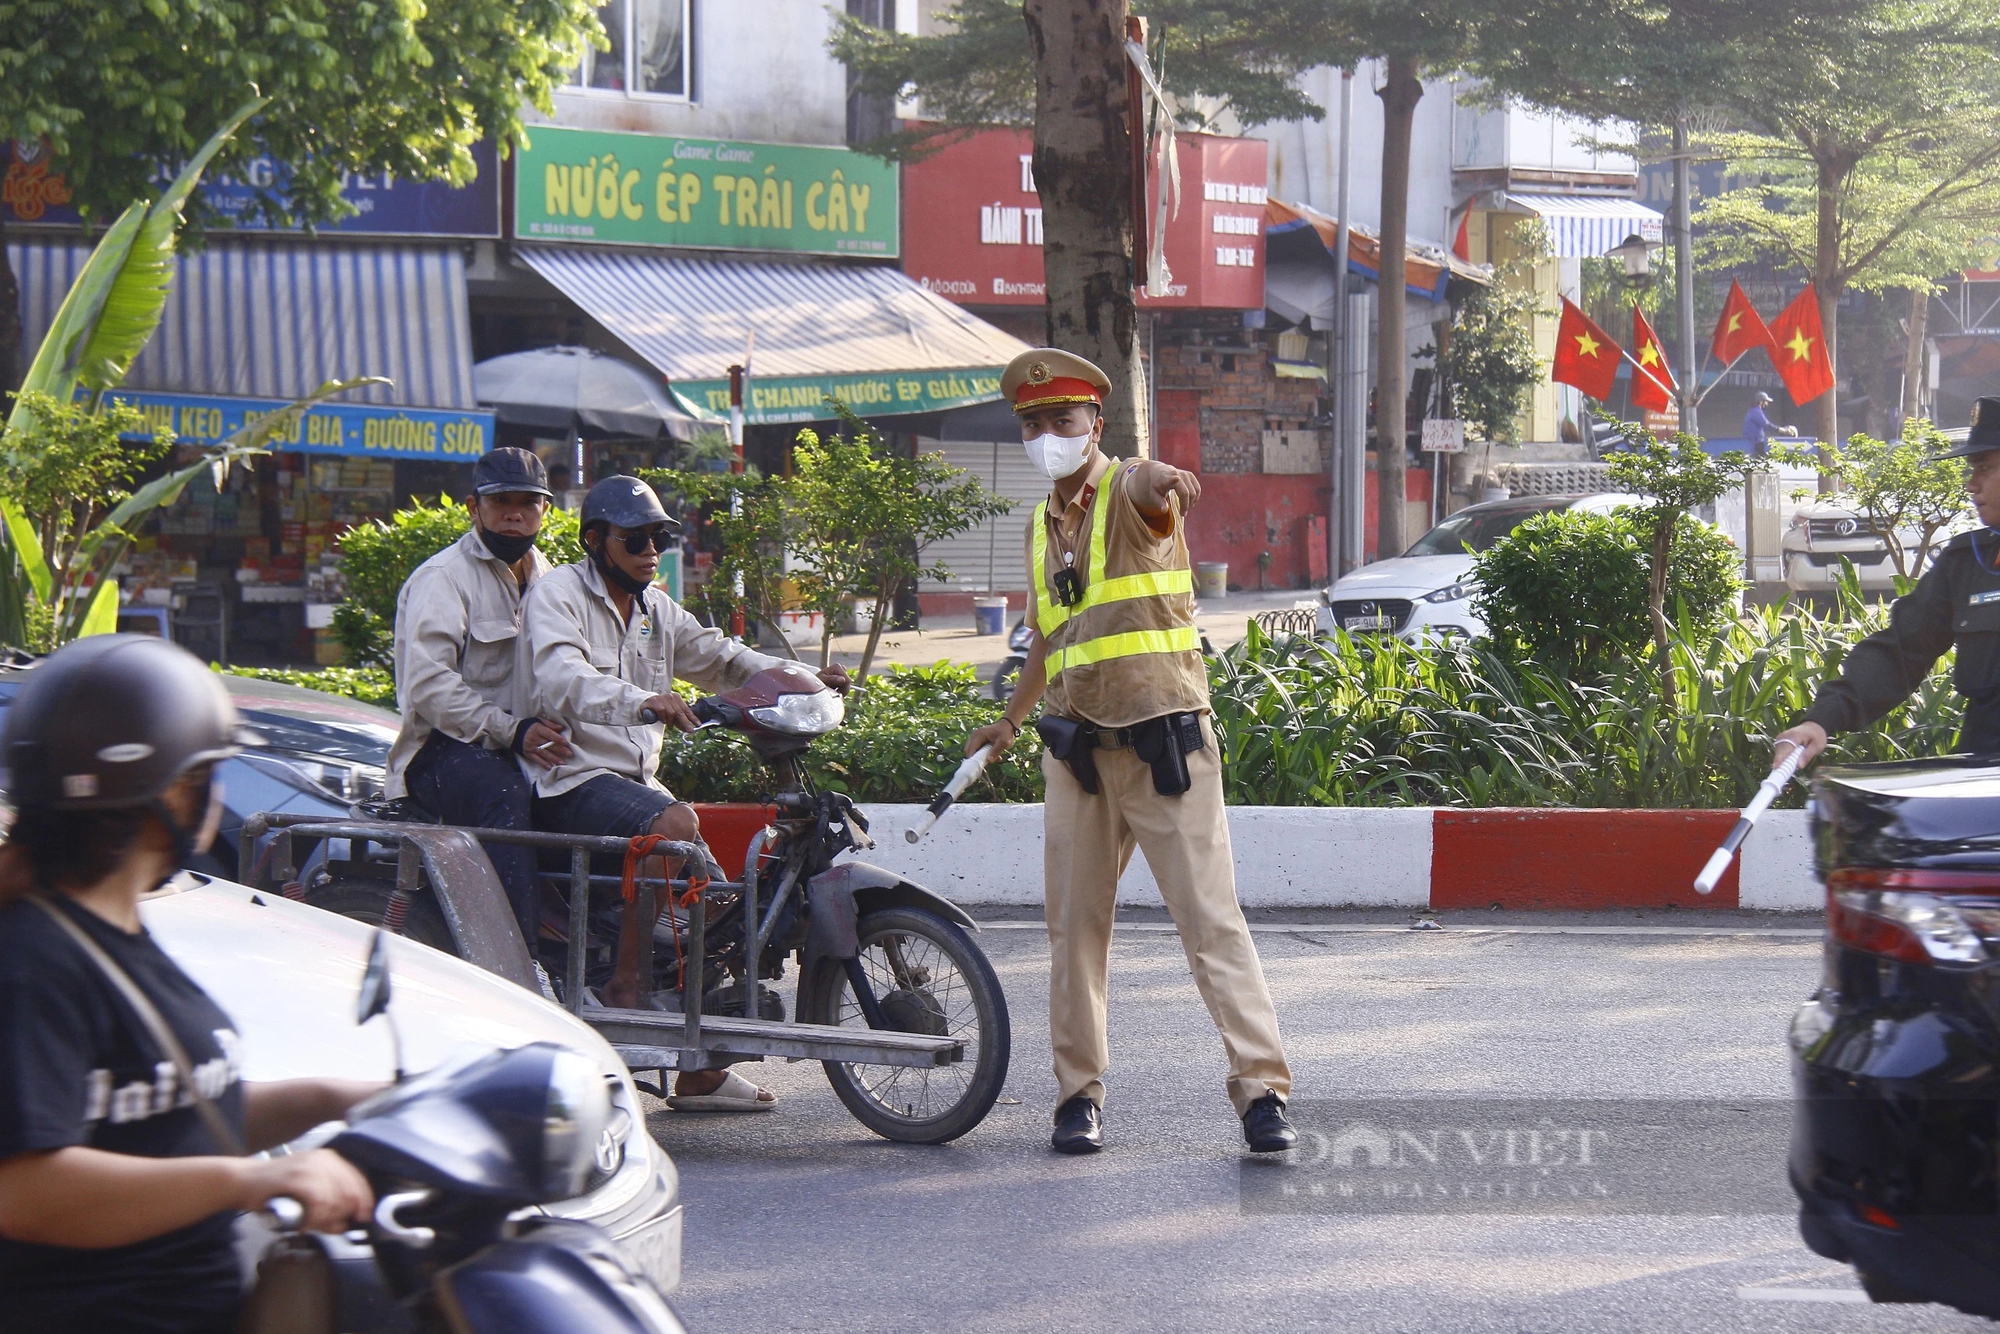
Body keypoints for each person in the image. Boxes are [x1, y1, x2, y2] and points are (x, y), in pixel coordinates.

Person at [961, 348, 1296, 1156]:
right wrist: (1007, 722)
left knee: (1209, 922)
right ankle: (1078, 1096)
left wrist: (1165, 477)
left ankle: (1262, 1093)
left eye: (1063, 421)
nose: (1049, 435)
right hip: (1077, 754)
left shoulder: (1128, 491)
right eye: (1035, 425)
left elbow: (1153, 487)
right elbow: (1047, 638)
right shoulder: (1041, 528)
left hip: (1161, 747)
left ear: (1095, 425)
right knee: (1072, 932)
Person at [0, 636, 379, 1334]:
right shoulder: (32, 960)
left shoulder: (112, 934)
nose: (218, 794)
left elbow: (169, 1119)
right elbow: (24, 1189)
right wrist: (252, 1180)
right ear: (173, 790)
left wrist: (343, 1099)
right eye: (212, 773)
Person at [517, 475, 849, 1110]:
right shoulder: (558, 595)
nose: (649, 550)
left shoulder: (654, 608)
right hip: (571, 779)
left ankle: (700, 1074)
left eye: (659, 537)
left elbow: (720, 657)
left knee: (724, 901)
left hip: (633, 780)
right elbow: (562, 677)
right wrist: (645, 702)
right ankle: (625, 986)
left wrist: (801, 676)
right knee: (675, 829)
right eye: (634, 538)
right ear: (596, 541)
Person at [384, 447, 573, 943]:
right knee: (502, 794)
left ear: (545, 511)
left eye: (528, 502)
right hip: (441, 752)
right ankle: (519, 963)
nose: (514, 513)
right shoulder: (443, 579)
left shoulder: (552, 581)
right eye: (500, 501)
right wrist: (510, 731)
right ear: (474, 507)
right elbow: (428, 687)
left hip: (524, 744)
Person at [1777, 395, 2000, 765]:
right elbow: (1901, 649)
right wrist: (1822, 719)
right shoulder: (1968, 562)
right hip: (1980, 788)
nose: (1971, 484)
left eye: (1984, 468)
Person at [1743, 391, 1797, 458]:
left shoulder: (1753, 411)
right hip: (1756, 442)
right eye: (1766, 402)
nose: (1767, 404)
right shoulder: (1756, 411)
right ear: (1761, 402)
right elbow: (1766, 425)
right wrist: (1781, 430)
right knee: (1760, 461)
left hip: (1755, 441)